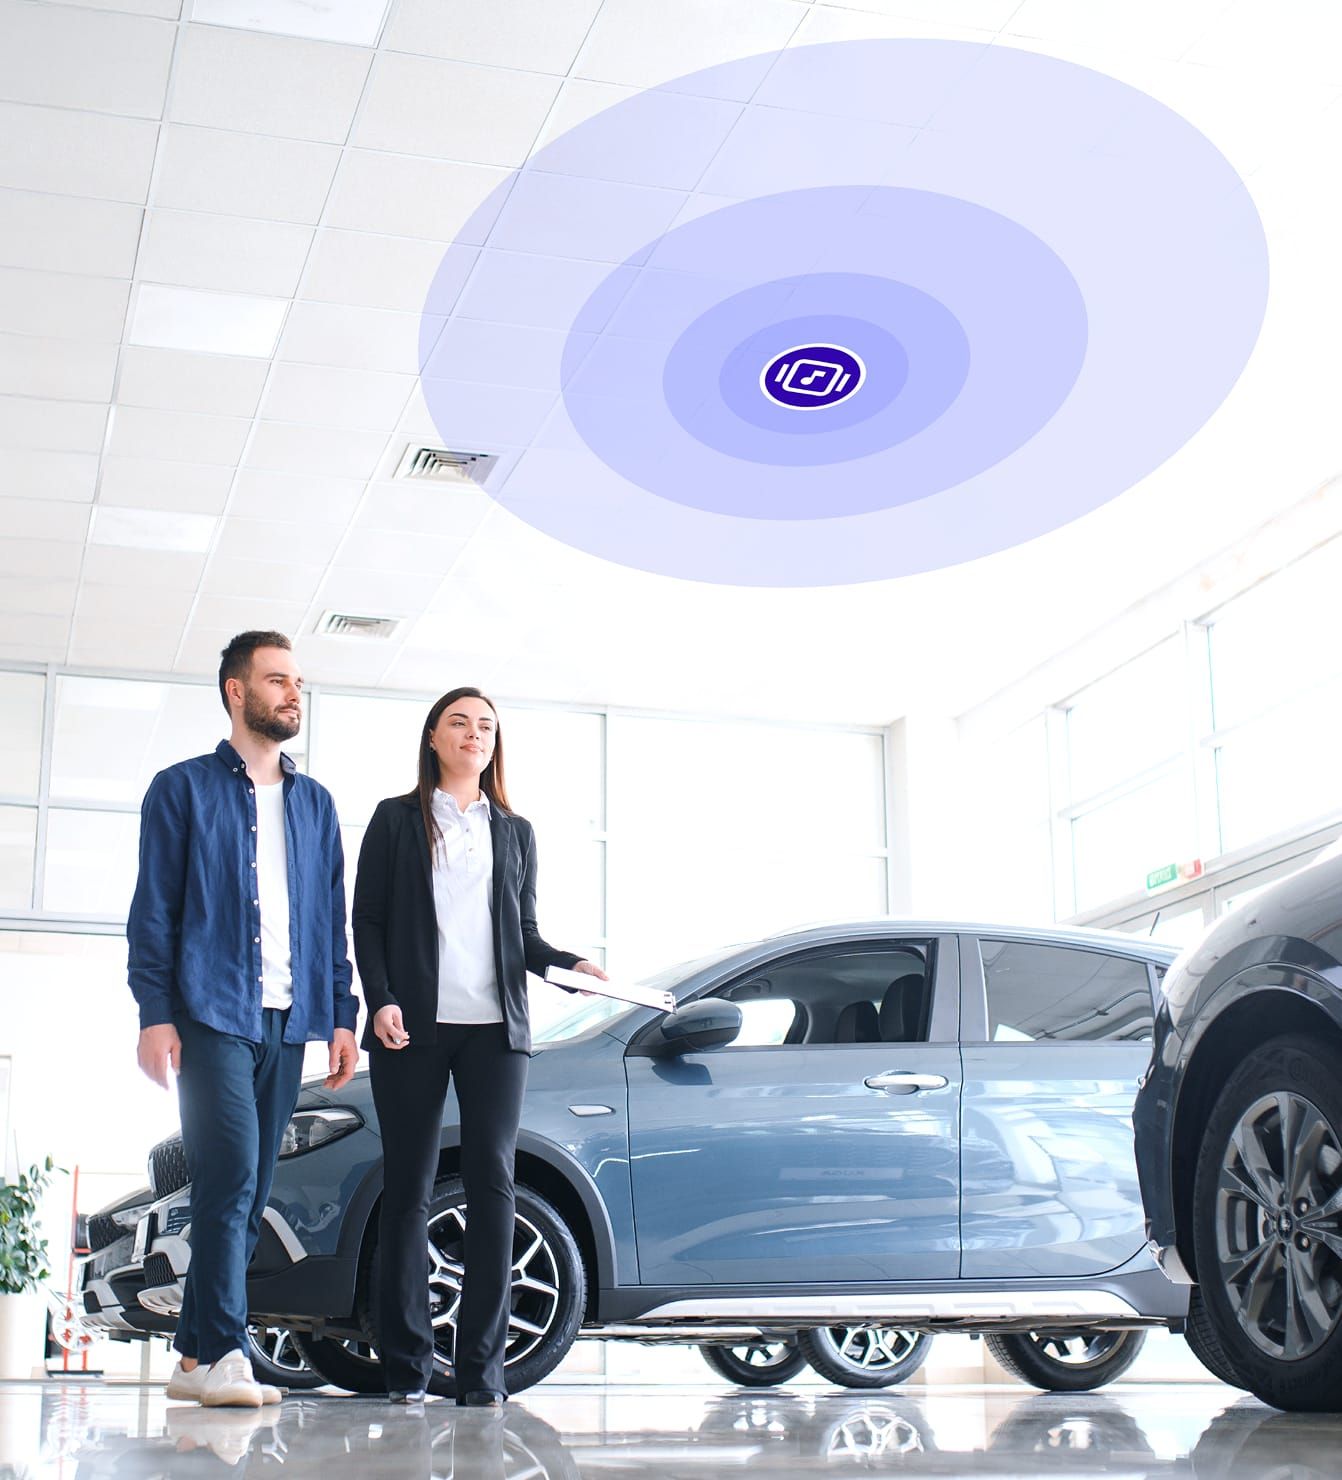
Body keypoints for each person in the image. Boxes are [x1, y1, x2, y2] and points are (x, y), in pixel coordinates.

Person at [352, 686, 607, 1406]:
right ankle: (405, 1368)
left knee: (494, 1186)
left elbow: (523, 935)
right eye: (460, 722)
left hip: (497, 1032)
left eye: (487, 725)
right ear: (434, 736)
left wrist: (569, 967)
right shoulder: (396, 820)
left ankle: (481, 1373)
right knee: (407, 1189)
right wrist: (383, 1000)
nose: (475, 734)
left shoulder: (515, 830)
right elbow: (366, 919)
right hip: (413, 1028)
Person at [127, 630, 359, 1408]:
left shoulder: (316, 804)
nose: (295, 693)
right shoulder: (181, 789)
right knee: (229, 1185)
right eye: (279, 680)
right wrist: (155, 1013)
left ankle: (192, 1360)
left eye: (299, 682)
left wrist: (340, 1014)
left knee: (251, 1193)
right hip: (212, 1013)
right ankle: (228, 1351)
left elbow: (332, 918)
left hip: (291, 1022)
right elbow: (154, 912)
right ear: (237, 691)